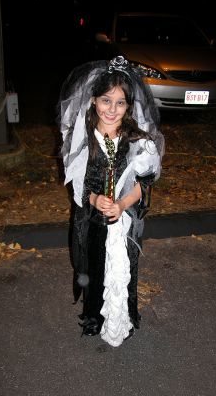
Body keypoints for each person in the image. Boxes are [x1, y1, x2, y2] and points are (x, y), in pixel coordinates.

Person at [58, 56, 164, 347]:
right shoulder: (83, 140)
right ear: (93, 100)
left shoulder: (137, 140)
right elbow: (79, 187)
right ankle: (93, 317)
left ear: (129, 106)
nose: (112, 109)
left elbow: (145, 182)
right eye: (106, 101)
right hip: (92, 219)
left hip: (123, 219)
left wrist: (121, 203)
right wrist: (94, 198)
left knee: (121, 267)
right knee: (93, 268)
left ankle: (124, 316)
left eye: (120, 103)